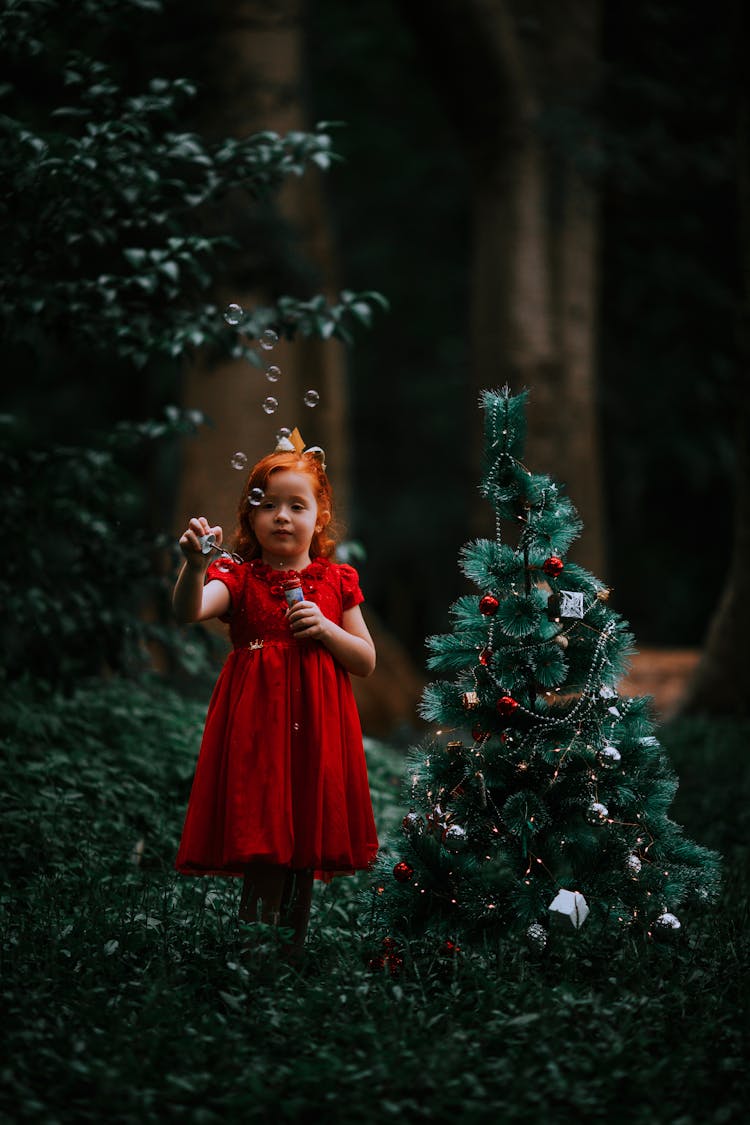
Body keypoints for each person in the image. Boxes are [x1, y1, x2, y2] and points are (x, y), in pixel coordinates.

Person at [172, 437, 378, 955]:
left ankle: (288, 955)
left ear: (320, 515)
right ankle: (254, 954)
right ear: (250, 516)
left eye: (296, 506)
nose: (282, 517)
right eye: (268, 506)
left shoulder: (336, 580)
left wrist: (328, 630)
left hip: (317, 727)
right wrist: (195, 566)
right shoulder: (238, 576)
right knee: (265, 829)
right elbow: (188, 610)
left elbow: (365, 660)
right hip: (259, 727)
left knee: (305, 834)